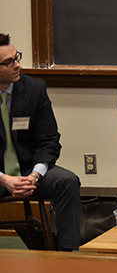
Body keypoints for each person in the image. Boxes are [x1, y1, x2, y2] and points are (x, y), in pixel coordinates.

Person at [0, 33, 81, 251]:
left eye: (17, 57)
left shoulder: (34, 89)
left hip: (28, 170)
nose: (17, 65)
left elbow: (49, 140)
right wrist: (4, 179)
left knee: (66, 181)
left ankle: (68, 257)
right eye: (8, 62)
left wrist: (35, 176)